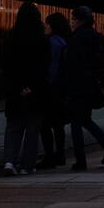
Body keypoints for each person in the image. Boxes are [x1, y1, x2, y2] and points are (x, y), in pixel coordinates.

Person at [62, 5, 104, 170]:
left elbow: (71, 63)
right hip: (90, 84)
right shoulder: (95, 36)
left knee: (76, 124)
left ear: (79, 20)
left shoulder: (77, 37)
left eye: (73, 19)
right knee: (85, 120)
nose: (72, 22)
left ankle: (81, 160)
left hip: (77, 85)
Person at [2, 2, 51, 175]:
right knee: (32, 129)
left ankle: (9, 161)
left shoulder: (10, 37)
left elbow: (7, 66)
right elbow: (44, 67)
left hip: (14, 89)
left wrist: (18, 87)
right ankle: (27, 165)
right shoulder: (43, 40)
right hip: (36, 90)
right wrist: (32, 87)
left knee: (13, 127)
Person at [38, 12, 72, 168]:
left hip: (51, 90)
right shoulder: (66, 42)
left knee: (45, 125)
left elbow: (52, 68)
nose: (45, 27)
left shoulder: (51, 43)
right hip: (63, 89)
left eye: (47, 24)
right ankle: (61, 155)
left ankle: (49, 156)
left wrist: (46, 83)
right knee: (58, 126)